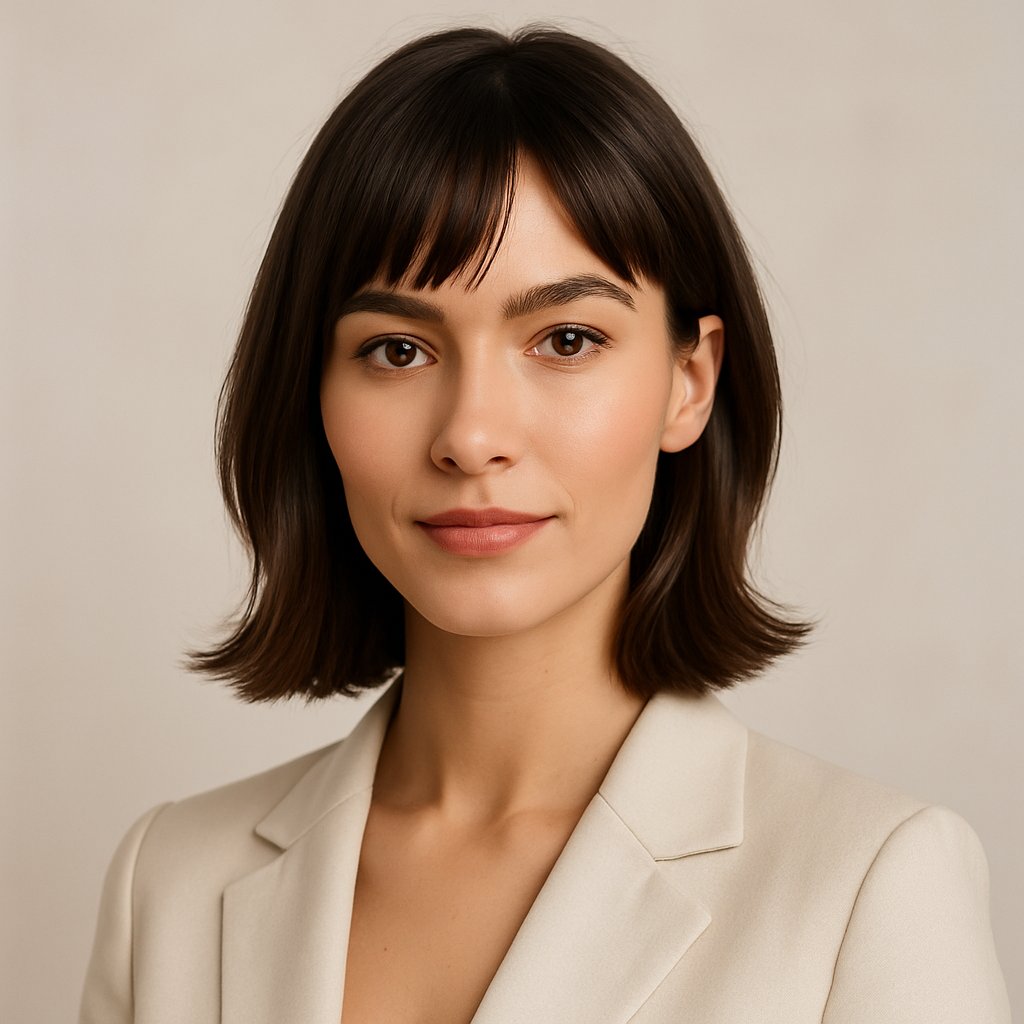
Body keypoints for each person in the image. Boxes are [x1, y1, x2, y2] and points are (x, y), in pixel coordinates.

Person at [79, 25, 1010, 1024]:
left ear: (687, 383)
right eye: (396, 349)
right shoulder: (168, 883)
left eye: (566, 338)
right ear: (311, 391)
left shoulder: (868, 887)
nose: (472, 436)